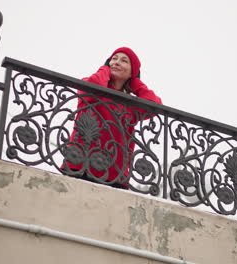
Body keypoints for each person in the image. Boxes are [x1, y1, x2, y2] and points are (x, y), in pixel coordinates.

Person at [62, 47, 162, 189]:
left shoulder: (131, 104)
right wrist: (104, 69)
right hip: (79, 164)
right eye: (113, 59)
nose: (116, 62)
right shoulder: (89, 81)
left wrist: (135, 83)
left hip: (115, 175)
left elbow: (155, 105)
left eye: (124, 61)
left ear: (132, 72)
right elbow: (93, 86)